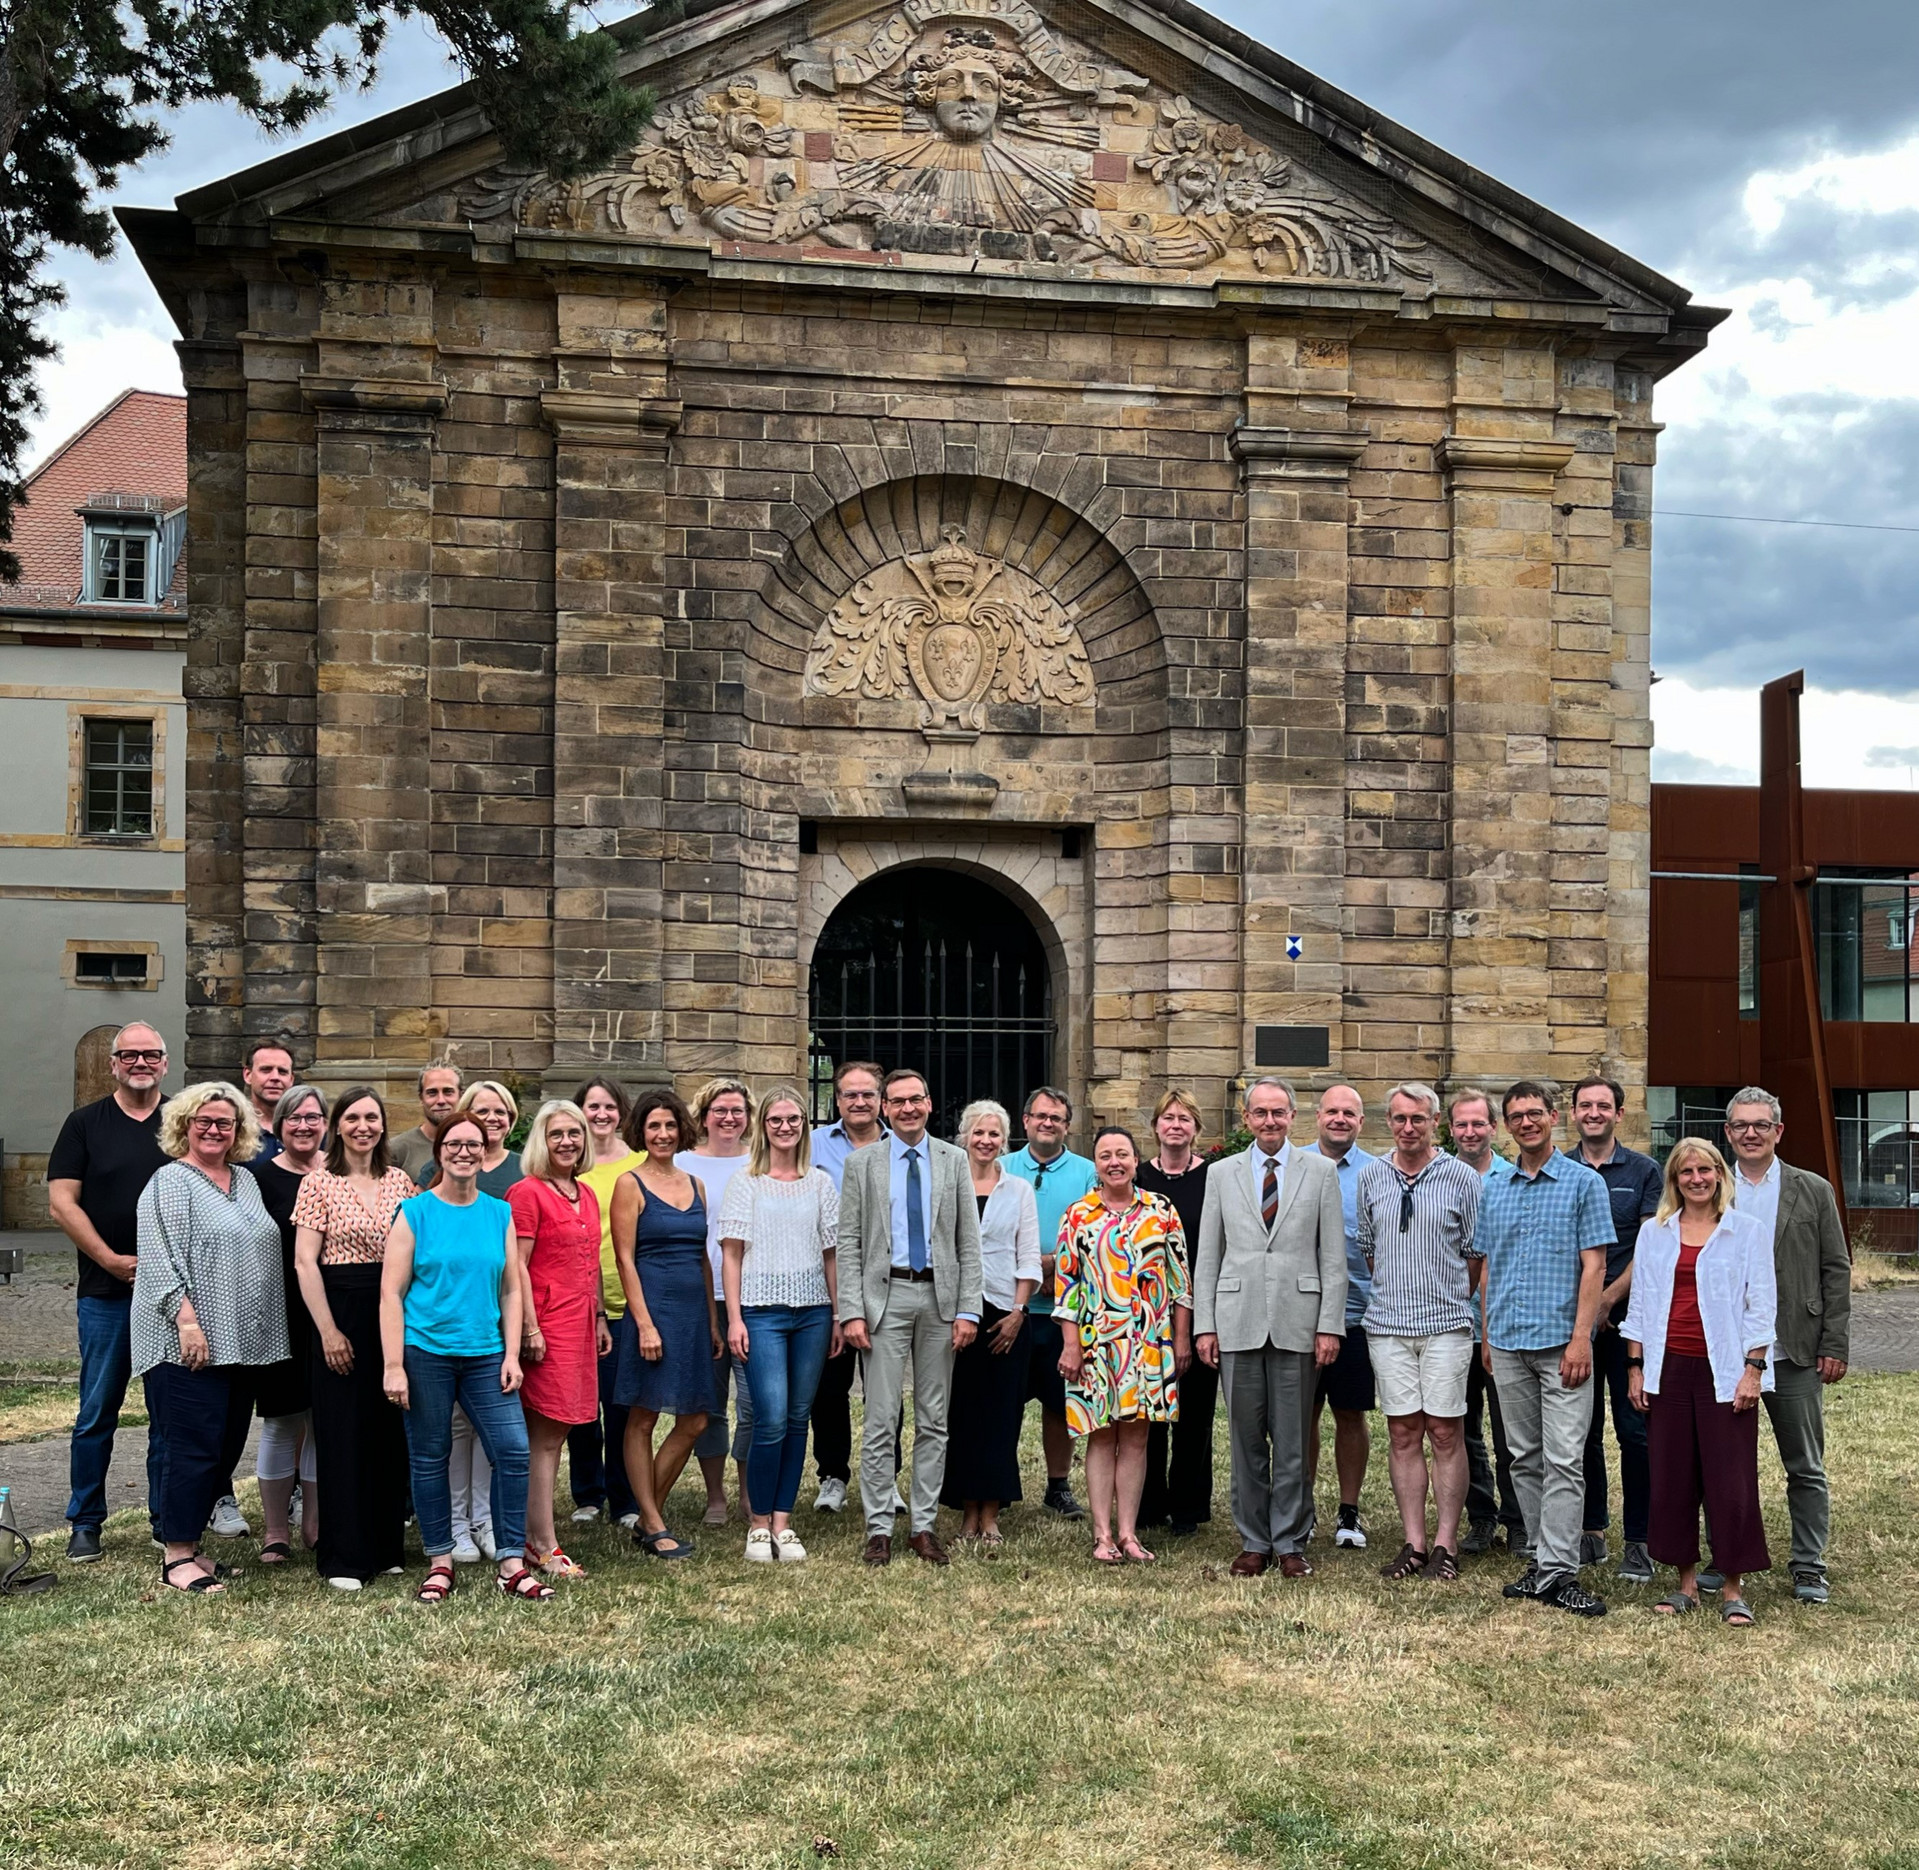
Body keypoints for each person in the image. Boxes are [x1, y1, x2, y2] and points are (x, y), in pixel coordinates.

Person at [380, 1112, 550, 1603]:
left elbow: (512, 1290)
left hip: (485, 1354)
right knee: (431, 1456)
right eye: (454, 1143)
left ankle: (512, 1563)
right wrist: (394, 1366)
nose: (464, 1152)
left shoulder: (499, 1212)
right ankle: (440, 1560)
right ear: (440, 1152)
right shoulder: (415, 1213)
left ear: (484, 1150)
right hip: (425, 1352)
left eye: (473, 1144)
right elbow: (391, 1294)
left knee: (513, 1451)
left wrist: (512, 1352)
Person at [131, 1083, 288, 1594]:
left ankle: (194, 1549)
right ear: (184, 1126)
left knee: (222, 1450)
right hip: (185, 1342)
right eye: (204, 1121)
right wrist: (187, 1320)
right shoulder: (169, 1181)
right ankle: (176, 1555)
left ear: (240, 1131)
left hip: (240, 1344)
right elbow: (157, 1259)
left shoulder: (244, 1181)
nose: (214, 1130)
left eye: (225, 1123)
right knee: (190, 1448)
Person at [1192, 1078, 1345, 1578]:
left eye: (1279, 1113)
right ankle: (1254, 1540)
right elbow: (1208, 1256)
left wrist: (1329, 1326)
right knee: (1245, 1440)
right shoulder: (1221, 1174)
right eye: (1260, 1113)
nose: (1270, 1122)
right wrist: (1205, 1326)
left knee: (1295, 1439)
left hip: (1299, 1323)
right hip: (1237, 1323)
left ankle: (1292, 1540)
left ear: (1293, 1116)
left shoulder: (1320, 1172)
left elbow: (1333, 1258)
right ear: (1246, 1119)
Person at [1623, 1138, 1776, 1624]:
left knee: (1730, 1482)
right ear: (1674, 1179)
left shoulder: (1745, 1231)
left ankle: (1732, 1586)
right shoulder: (1656, 1232)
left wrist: (1753, 1370)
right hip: (1668, 1371)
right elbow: (1641, 1303)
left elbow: (1761, 1305)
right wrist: (1636, 1366)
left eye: (1705, 1170)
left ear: (1718, 1174)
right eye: (1686, 1171)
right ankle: (1685, 1583)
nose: (1696, 1179)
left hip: (1726, 1371)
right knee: (1672, 1478)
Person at [1477, 1081, 1614, 1618]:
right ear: (1507, 1125)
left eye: (1535, 1113)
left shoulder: (1583, 1184)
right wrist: (1487, 1336)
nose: (1527, 1122)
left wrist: (1582, 1338)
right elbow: (1489, 1267)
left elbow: (1595, 1266)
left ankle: (1561, 1572)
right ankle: (1539, 1558)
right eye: (1517, 1116)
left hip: (1563, 1345)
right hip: (1508, 1341)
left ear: (1554, 1118)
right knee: (1523, 1458)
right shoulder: (1497, 1187)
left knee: (1564, 1458)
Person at [837, 1068, 983, 1567]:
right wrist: (851, 1310)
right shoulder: (863, 1164)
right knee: (880, 1418)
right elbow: (851, 1243)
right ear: (883, 1107)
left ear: (928, 1102)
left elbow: (968, 1241)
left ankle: (922, 1525)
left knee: (933, 1419)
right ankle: (879, 1526)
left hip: (940, 1302)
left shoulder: (954, 1160)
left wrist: (968, 1308)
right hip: (886, 1298)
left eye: (915, 1099)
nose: (907, 1108)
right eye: (896, 1101)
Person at [1723, 1086, 1851, 1604]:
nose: (1750, 1133)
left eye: (1761, 1124)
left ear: (1779, 1131)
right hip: (1727, 1353)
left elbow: (1835, 1269)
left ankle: (1809, 1564)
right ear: (1727, 1133)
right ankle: (1726, 1558)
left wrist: (1835, 1341)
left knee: (1805, 1465)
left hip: (1795, 1348)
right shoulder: (1710, 1186)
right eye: (1740, 1125)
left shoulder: (1812, 1190)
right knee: (1726, 1466)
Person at [50, 1019, 169, 1563]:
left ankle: (167, 1518)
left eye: (151, 1055)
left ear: (165, 1063)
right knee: (97, 1411)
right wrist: (111, 1261)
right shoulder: (84, 1124)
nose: (140, 1063)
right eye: (130, 1055)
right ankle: (86, 1521)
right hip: (105, 1293)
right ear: (113, 1063)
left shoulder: (183, 1123)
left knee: (170, 1414)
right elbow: (62, 1204)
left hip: (173, 1297)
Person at [1353, 1084, 1484, 1583]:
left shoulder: (1461, 1178)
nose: (1410, 1128)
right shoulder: (1372, 1177)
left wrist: (1446, 1296)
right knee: (1403, 1431)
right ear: (1389, 1122)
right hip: (1387, 1326)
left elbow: (1475, 1252)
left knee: (1446, 1431)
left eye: (1420, 1119)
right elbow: (1370, 1247)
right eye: (1401, 1119)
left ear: (1436, 1124)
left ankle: (1446, 1545)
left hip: (1447, 1325)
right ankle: (1414, 1541)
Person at [292, 1086, 415, 1589]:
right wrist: (327, 1330)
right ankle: (344, 1556)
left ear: (382, 1126)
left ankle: (386, 1546)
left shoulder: (402, 1182)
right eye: (352, 1118)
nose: (363, 1126)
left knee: (389, 1433)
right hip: (339, 1308)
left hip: (392, 1311)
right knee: (343, 1435)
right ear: (336, 1126)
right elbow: (304, 1261)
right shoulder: (318, 1184)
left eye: (372, 1117)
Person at [1057, 1126, 1192, 1565]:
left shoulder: (1162, 1210)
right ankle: (1102, 1535)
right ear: (1095, 1163)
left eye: (1123, 1154)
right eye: (1105, 1155)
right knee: (1100, 1437)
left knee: (1136, 1438)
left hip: (1149, 1342)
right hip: (1095, 1345)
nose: (1114, 1162)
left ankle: (1129, 1534)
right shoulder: (1078, 1214)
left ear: (1137, 1160)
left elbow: (1180, 1284)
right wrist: (1071, 1345)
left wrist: (1182, 1340)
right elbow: (1067, 1287)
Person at [719, 1087, 842, 1562]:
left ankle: (783, 1523)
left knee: (796, 1418)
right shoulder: (745, 1182)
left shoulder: (819, 1183)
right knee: (768, 1418)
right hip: (761, 1313)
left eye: (793, 1119)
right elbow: (731, 1255)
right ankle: (757, 1522)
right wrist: (734, 1319)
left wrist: (835, 1313)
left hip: (812, 1313)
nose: (785, 1127)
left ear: (804, 1126)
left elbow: (831, 1254)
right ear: (763, 1125)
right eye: (776, 1120)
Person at [610, 1089, 723, 1560]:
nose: (662, 1134)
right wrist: (644, 1323)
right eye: (653, 1126)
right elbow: (624, 1258)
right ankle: (654, 1522)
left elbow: (703, 1258)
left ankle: (644, 1510)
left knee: (696, 1418)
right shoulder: (629, 1184)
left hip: (694, 1314)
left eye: (670, 1125)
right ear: (641, 1131)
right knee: (643, 1415)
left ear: (682, 1130)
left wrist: (713, 1323)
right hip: (651, 1311)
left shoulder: (695, 1184)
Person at [1569, 1077, 1662, 1580]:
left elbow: (1648, 1248)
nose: (1594, 1113)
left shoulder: (1646, 1171)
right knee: (1581, 1433)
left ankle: (1640, 1541)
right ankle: (1591, 1531)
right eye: (1585, 1105)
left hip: (1632, 1324)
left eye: (1603, 1105)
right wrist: (1587, 1312)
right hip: (1578, 1327)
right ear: (1574, 1113)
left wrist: (1607, 1298)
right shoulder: (1560, 1170)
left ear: (1619, 1115)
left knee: (1635, 1433)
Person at [512, 1100, 609, 1579]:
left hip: (579, 1324)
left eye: (575, 1133)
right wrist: (529, 1328)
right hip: (546, 1328)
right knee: (544, 1437)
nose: (567, 1142)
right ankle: (541, 1545)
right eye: (556, 1135)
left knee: (562, 1431)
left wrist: (599, 1320)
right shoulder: (527, 1193)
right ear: (541, 1142)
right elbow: (518, 1269)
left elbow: (589, 1266)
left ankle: (537, 1536)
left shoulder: (585, 1193)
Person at [941, 1099, 1040, 1546]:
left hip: (1005, 1315)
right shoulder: (947, 1183)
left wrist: (1019, 1313)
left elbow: (1028, 1255)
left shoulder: (1018, 1189)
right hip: (956, 1313)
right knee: (962, 1414)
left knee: (1001, 1415)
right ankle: (966, 1511)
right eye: (978, 1132)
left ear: (1005, 1140)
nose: (986, 1141)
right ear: (964, 1136)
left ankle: (992, 1513)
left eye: (994, 1134)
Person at [431, 1079, 522, 1559]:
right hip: (445, 1328)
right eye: (480, 1110)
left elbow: (514, 1272)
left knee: (493, 1432)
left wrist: (520, 1332)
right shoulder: (437, 1170)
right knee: (454, 1429)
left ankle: (485, 1521)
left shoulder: (522, 1173)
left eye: (500, 1111)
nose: (491, 1119)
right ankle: (456, 1523)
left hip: (492, 1325)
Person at [1003, 1086, 1098, 1520]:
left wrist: (1052, 1268)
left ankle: (1058, 1486)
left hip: (1066, 1313)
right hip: (1010, 1308)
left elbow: (1094, 1234)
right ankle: (999, 1482)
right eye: (1040, 1116)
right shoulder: (1001, 1168)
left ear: (1067, 1125)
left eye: (1056, 1118)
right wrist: (1034, 1270)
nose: (1047, 1123)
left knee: (1062, 1404)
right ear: (1025, 1121)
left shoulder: (1086, 1172)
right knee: (1004, 1401)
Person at [251, 1084, 328, 1563]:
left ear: (326, 1125)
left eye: (313, 1117)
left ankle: (315, 1524)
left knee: (322, 1421)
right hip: (278, 1313)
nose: (304, 1125)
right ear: (279, 1126)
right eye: (294, 1118)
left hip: (327, 1315)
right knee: (281, 1421)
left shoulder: (337, 1175)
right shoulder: (258, 1179)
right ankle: (275, 1530)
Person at [1300, 1083, 1378, 1551]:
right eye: (1332, 1111)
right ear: (1318, 1116)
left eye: (1350, 1113)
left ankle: (1349, 1513)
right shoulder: (1295, 1167)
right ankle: (1301, 1509)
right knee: (1301, 1414)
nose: (1340, 1119)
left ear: (1361, 1122)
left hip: (1358, 1315)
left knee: (1351, 1413)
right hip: (1300, 1316)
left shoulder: (1378, 1173)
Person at [1447, 1091, 1524, 1555]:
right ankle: (1481, 1519)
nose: (1470, 1132)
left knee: (1510, 1429)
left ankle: (1518, 1521)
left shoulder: (1513, 1179)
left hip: (1505, 1327)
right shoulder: (1440, 1179)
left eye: (1478, 1123)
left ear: (1493, 1127)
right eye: (1461, 1125)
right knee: (1462, 1428)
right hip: (1454, 1325)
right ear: (1451, 1129)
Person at [809, 1061, 887, 1515]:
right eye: (850, 1094)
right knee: (830, 1387)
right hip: (827, 1283)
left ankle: (886, 1478)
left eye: (867, 1094)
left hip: (884, 1283)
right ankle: (832, 1475)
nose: (859, 1101)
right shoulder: (815, 1145)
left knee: (884, 1386)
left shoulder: (899, 1144)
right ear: (837, 1100)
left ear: (879, 1099)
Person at [567, 1075, 644, 1529]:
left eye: (609, 1107)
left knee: (620, 1405)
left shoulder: (637, 1165)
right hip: (577, 1301)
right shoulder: (569, 1166)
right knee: (580, 1406)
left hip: (624, 1300)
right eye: (592, 1107)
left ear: (622, 1113)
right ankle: (587, 1493)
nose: (601, 1115)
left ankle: (624, 1497)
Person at [1136, 1091, 1215, 1535]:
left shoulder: (1214, 1178)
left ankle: (1187, 1507)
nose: (1176, 1126)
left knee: (1195, 1412)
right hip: (1146, 1312)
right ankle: (1148, 1506)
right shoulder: (1139, 1176)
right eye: (1168, 1117)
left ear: (1196, 1128)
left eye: (1185, 1118)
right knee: (1150, 1414)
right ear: (1156, 1126)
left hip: (1200, 1308)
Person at [679, 1077, 756, 1527]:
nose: (729, 1118)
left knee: (753, 1405)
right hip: (698, 1299)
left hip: (751, 1300)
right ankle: (715, 1495)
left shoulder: (759, 1163)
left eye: (737, 1111)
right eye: (719, 1110)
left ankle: (749, 1491)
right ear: (703, 1115)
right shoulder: (685, 1164)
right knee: (707, 1404)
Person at [388, 1062, 464, 1184]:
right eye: (432, 1093)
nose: (441, 1100)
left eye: (448, 1092)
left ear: (461, 1095)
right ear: (421, 1098)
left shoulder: (476, 1146)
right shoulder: (397, 1150)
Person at [241, 1040, 295, 1164]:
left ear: (291, 1079)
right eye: (266, 1070)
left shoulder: (306, 1128)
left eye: (282, 1071)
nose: (275, 1077)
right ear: (248, 1075)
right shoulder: (234, 1127)